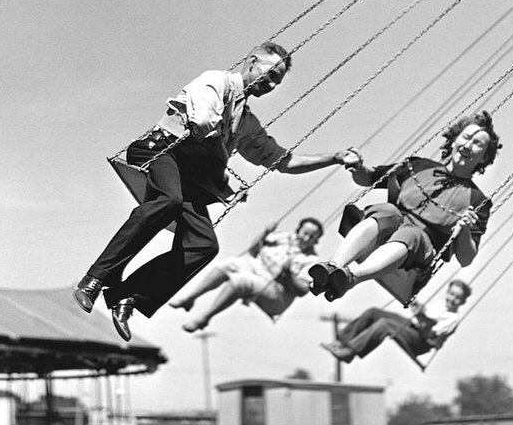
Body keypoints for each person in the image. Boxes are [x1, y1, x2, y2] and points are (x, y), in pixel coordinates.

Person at [72, 40, 362, 341]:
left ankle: (128, 295)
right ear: (252, 62)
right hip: (161, 151)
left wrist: (334, 158)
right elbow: (202, 126)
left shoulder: (246, 122)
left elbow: (284, 161)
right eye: (271, 74)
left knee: (203, 244)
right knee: (168, 200)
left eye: (278, 81)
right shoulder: (215, 82)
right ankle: (96, 279)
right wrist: (222, 181)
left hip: (187, 177)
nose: (273, 84)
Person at [308, 110, 501, 302]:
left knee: (412, 233)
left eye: (477, 144)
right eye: (466, 138)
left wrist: (465, 230)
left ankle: (350, 278)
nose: (468, 146)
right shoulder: (419, 166)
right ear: (454, 140)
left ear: (484, 157)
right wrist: (357, 167)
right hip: (387, 225)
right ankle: (332, 269)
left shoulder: (477, 201)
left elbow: (466, 259)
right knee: (388, 212)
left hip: (418, 249)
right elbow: (370, 177)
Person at [168, 216, 324, 332]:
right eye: (305, 233)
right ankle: (190, 298)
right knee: (228, 264)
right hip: (259, 271)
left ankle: (204, 318)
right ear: (299, 230)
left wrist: (288, 273)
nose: (307, 238)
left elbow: (303, 290)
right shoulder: (281, 237)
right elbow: (253, 250)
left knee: (241, 281)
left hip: (278, 293)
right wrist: (265, 232)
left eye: (312, 236)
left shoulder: (310, 259)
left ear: (316, 239)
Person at [321, 279, 472, 363]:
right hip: (413, 327)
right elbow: (424, 315)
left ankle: (350, 351)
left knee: (385, 324)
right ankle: (342, 341)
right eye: (451, 294)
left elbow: (430, 333)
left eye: (457, 298)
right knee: (374, 313)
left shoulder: (453, 318)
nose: (452, 299)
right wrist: (417, 307)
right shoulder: (440, 305)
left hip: (421, 341)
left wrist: (421, 316)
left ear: (463, 302)